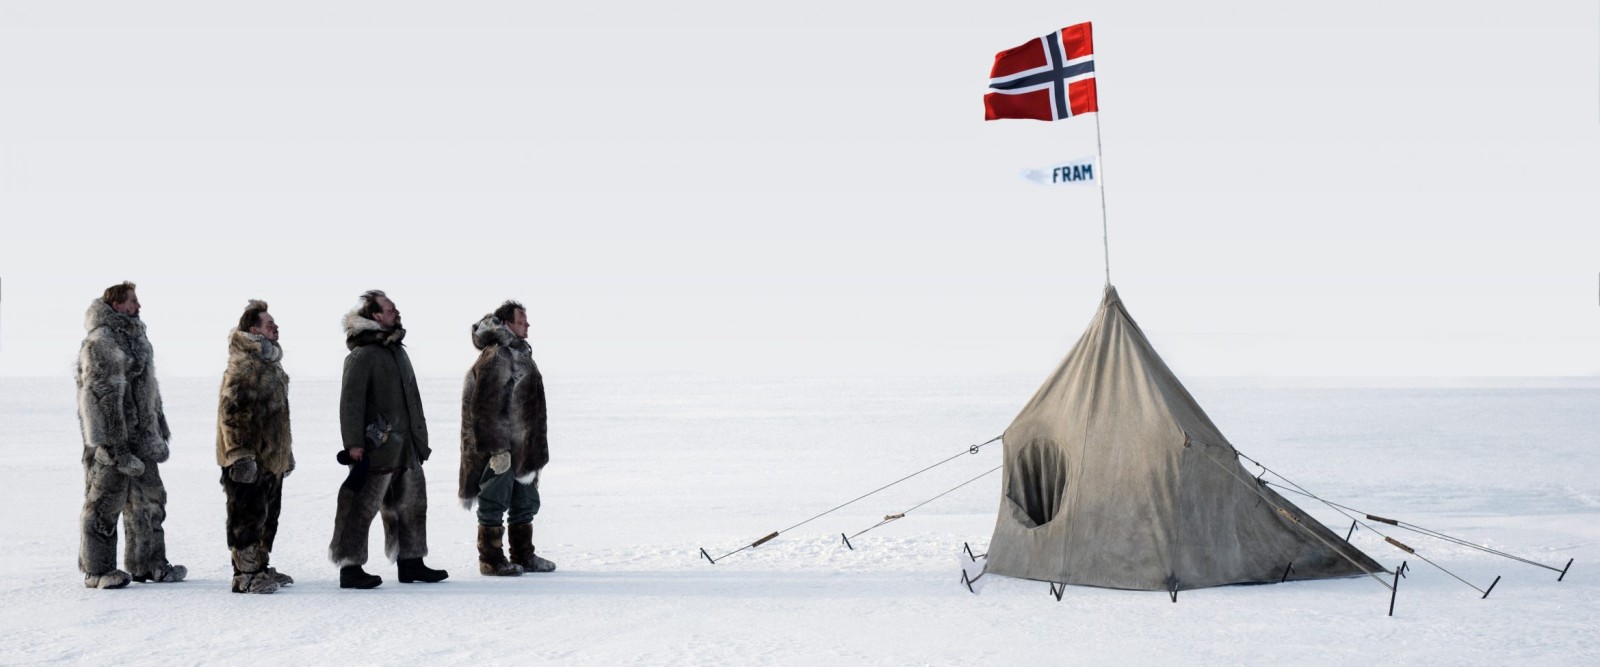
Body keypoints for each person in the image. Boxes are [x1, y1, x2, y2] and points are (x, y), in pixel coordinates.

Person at [328, 290, 447, 588]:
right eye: (390, 309)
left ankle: (411, 563)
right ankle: (350, 568)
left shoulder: (398, 352)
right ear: (376, 316)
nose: (397, 312)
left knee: (413, 505)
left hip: (405, 447)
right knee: (360, 508)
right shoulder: (362, 355)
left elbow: (412, 400)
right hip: (374, 448)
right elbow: (350, 403)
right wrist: (354, 443)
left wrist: (419, 439)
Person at [75, 281, 186, 589]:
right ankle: (97, 570)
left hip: (142, 438)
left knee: (150, 502)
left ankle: (149, 564)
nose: (139, 306)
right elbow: (100, 397)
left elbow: (150, 390)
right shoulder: (102, 341)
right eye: (133, 301)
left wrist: (159, 429)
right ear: (116, 305)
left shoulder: (137, 339)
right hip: (114, 443)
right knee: (104, 504)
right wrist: (114, 448)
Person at [459, 300, 555, 576]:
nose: (527, 324)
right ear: (507, 324)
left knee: (525, 501)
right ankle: (490, 559)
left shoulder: (519, 353)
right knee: (494, 499)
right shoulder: (498, 355)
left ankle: (523, 554)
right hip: (501, 447)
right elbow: (485, 406)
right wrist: (497, 449)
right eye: (522, 320)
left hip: (524, 445)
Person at [215, 300, 295, 594]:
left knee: (267, 514)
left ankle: (259, 566)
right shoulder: (245, 365)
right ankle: (245, 575)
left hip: (270, 456)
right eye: (269, 323)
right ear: (254, 330)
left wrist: (285, 453)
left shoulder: (269, 363)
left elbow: (277, 416)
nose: (275, 327)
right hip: (247, 458)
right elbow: (233, 415)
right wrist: (240, 456)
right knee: (247, 514)